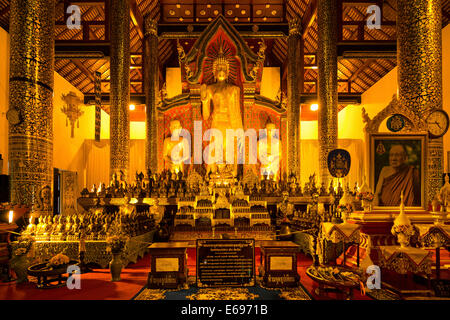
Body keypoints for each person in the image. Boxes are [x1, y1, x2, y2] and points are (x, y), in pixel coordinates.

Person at [201, 45, 243, 177]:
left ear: (228, 70)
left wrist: (239, 131)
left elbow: (236, 112)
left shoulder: (234, 89)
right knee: (216, 149)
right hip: (216, 122)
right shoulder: (209, 89)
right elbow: (206, 115)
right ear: (214, 71)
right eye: (218, 68)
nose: (221, 70)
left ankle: (231, 173)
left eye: (223, 68)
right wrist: (204, 100)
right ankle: (215, 172)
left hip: (230, 123)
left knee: (229, 149)